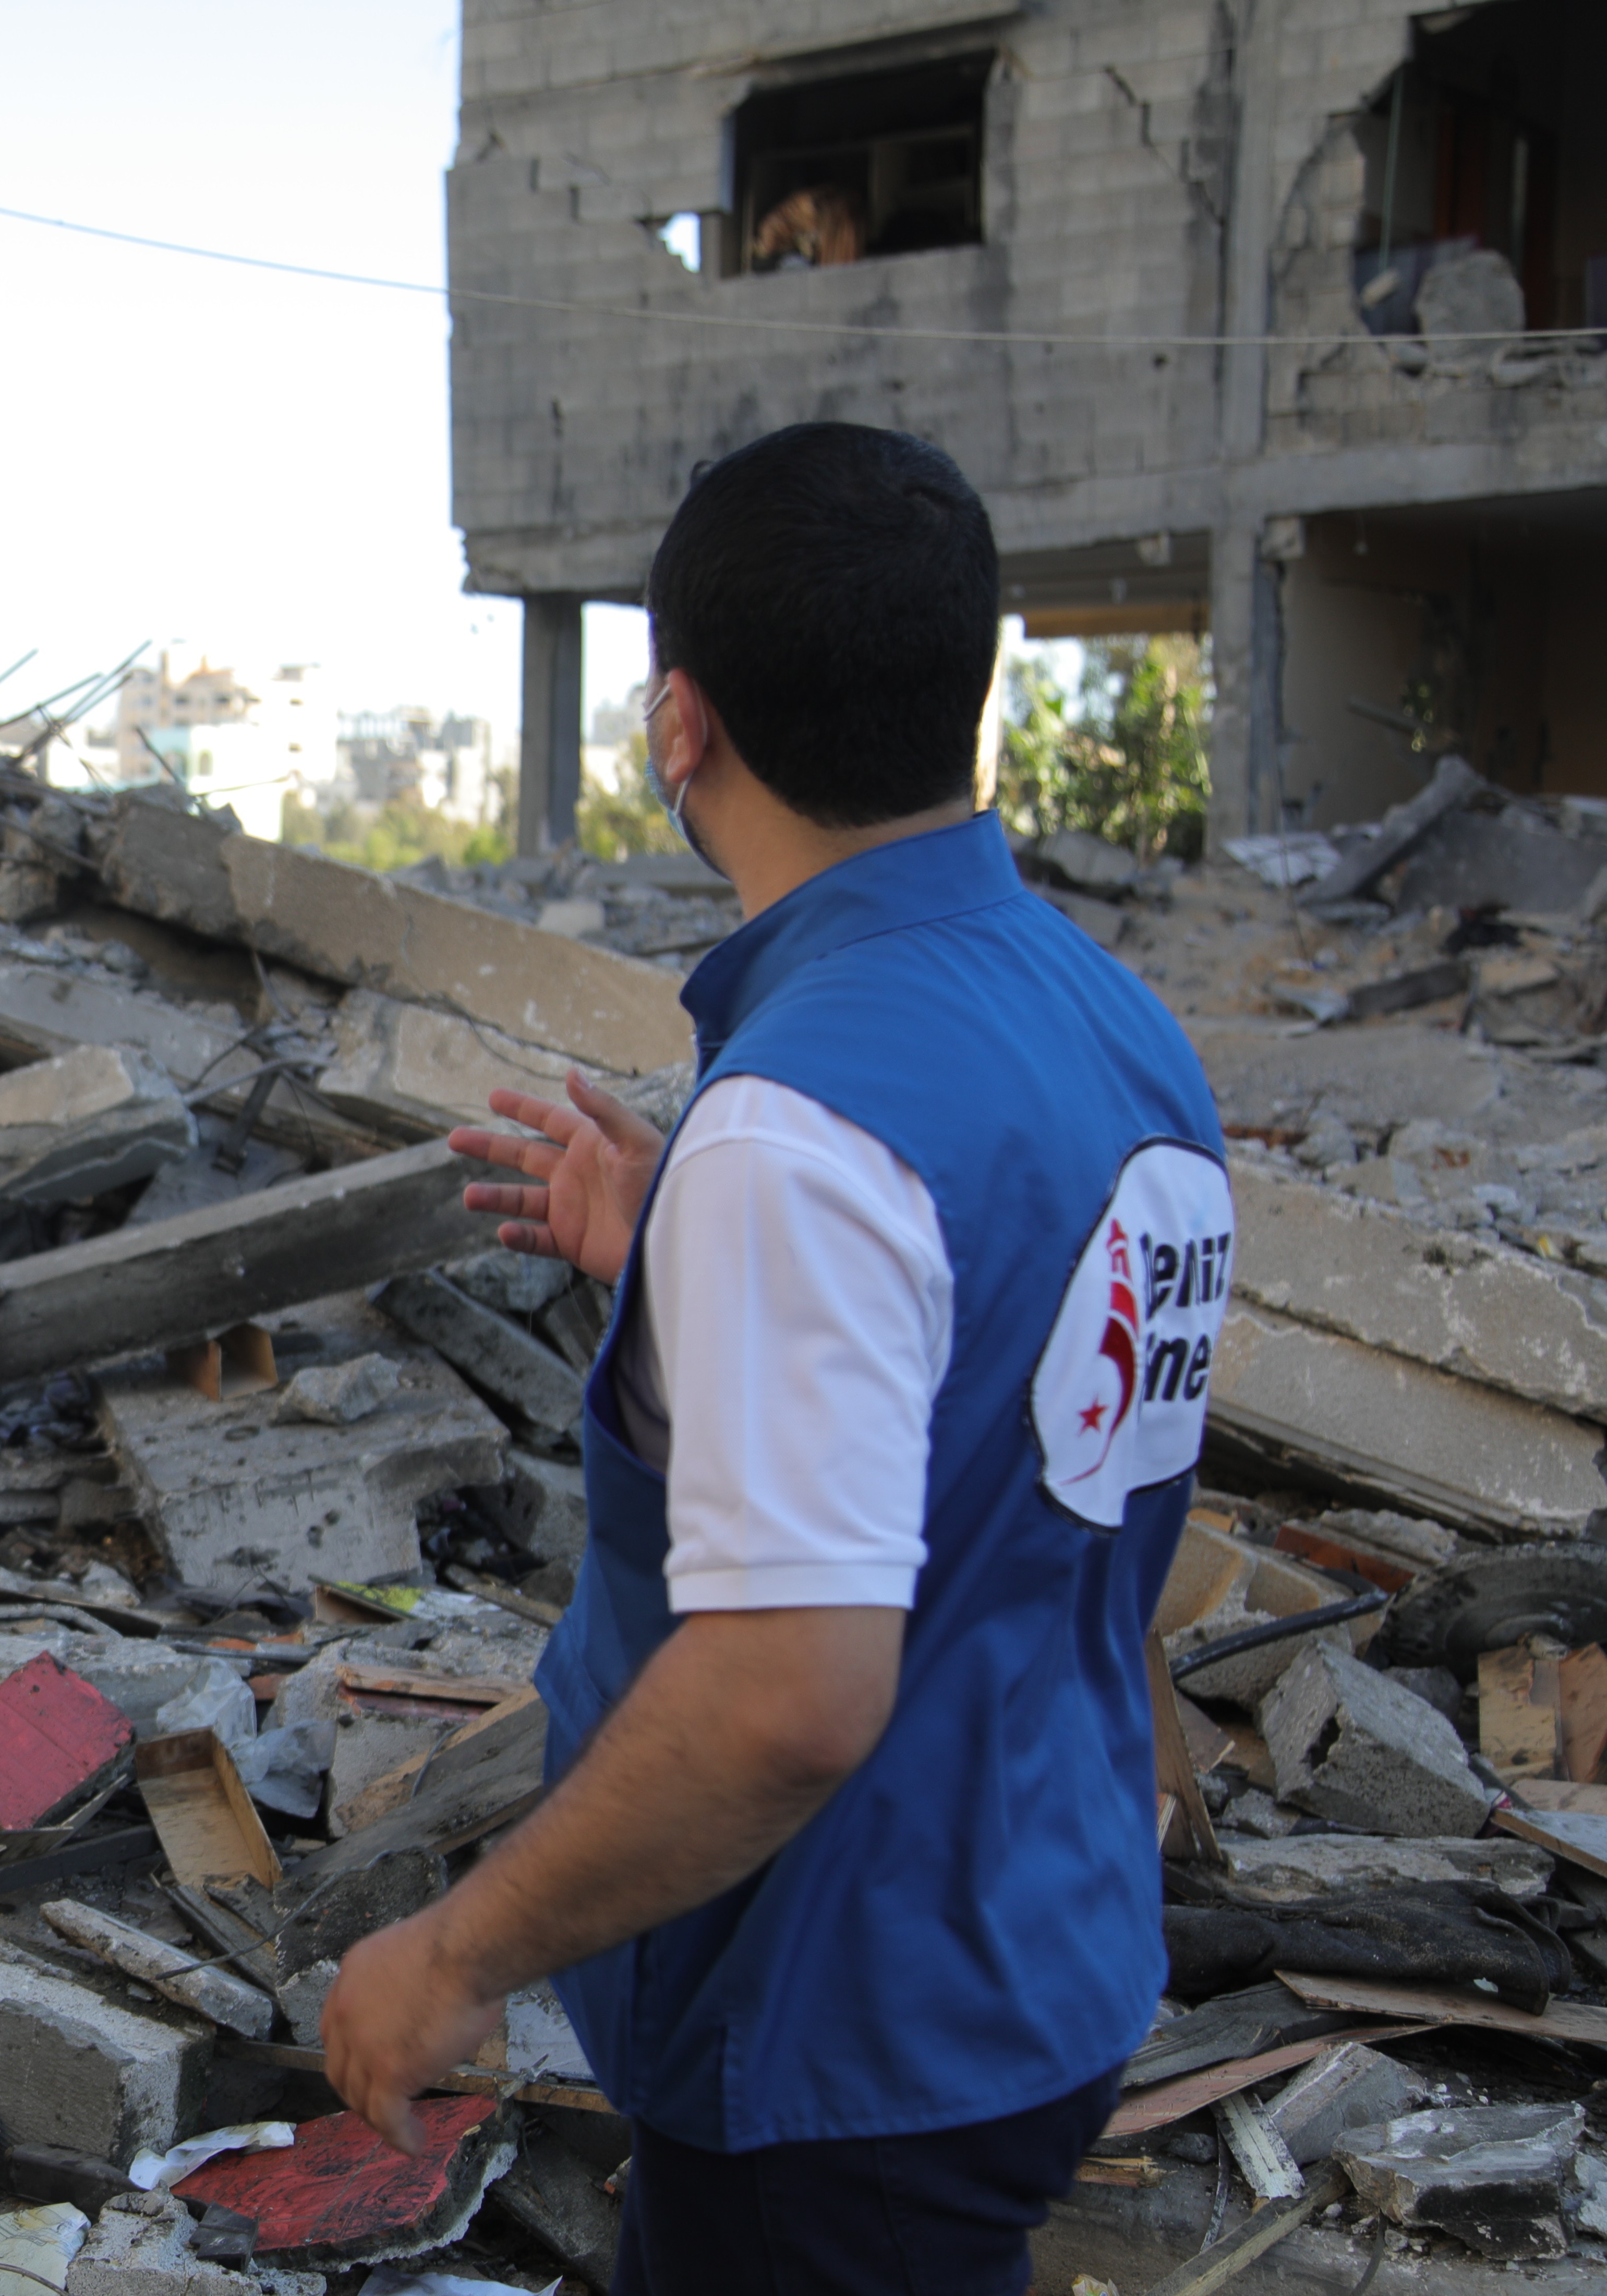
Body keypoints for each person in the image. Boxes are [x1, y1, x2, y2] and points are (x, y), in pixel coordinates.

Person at [318, 425, 1233, 2294]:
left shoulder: (801, 1133)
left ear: (678, 729)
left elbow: (787, 1701)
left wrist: (455, 1953)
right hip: (1044, 1943)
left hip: (844, 2042)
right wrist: (694, 1263)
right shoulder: (1119, 1033)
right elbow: (1058, 1438)